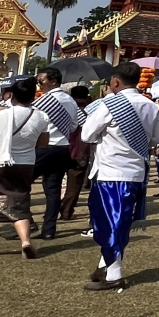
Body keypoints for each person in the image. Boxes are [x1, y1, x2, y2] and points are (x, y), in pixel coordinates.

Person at [81, 62, 159, 290]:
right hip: (136, 173)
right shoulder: (151, 106)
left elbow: (87, 134)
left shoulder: (109, 104)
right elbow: (158, 139)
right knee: (120, 223)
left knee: (107, 224)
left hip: (110, 173)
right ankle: (105, 264)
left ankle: (114, 274)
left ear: (115, 82)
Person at [0, 76, 51, 258]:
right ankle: (25, 241)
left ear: (12, 95)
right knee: (20, 200)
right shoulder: (41, 116)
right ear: (33, 96)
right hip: (24, 163)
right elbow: (43, 143)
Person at [32, 66, 83, 239]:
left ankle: (25, 222)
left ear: (53, 81)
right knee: (52, 190)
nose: (39, 84)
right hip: (62, 148)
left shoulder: (43, 101)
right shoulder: (70, 101)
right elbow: (75, 126)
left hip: (44, 148)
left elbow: (32, 122)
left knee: (21, 185)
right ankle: (48, 230)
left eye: (42, 80)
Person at [60, 85, 93, 221]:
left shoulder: (65, 112)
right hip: (79, 153)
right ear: (87, 97)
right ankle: (66, 211)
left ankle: (52, 209)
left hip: (60, 149)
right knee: (74, 186)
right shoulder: (88, 115)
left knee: (52, 183)